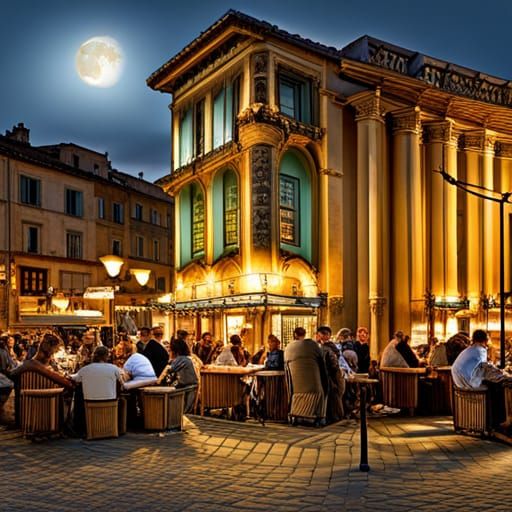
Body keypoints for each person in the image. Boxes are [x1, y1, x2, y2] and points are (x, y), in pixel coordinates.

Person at [285, 327, 329, 425]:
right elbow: (323, 367)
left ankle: (297, 415)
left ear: (294, 335)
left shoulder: (288, 348)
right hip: (314, 388)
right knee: (328, 385)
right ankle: (321, 417)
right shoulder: (313, 346)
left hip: (296, 390)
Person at [160, 338, 198, 412]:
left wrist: (158, 381)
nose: (168, 352)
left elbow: (168, 371)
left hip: (186, 390)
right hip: (189, 388)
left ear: (175, 351)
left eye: (170, 350)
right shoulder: (186, 358)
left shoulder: (181, 359)